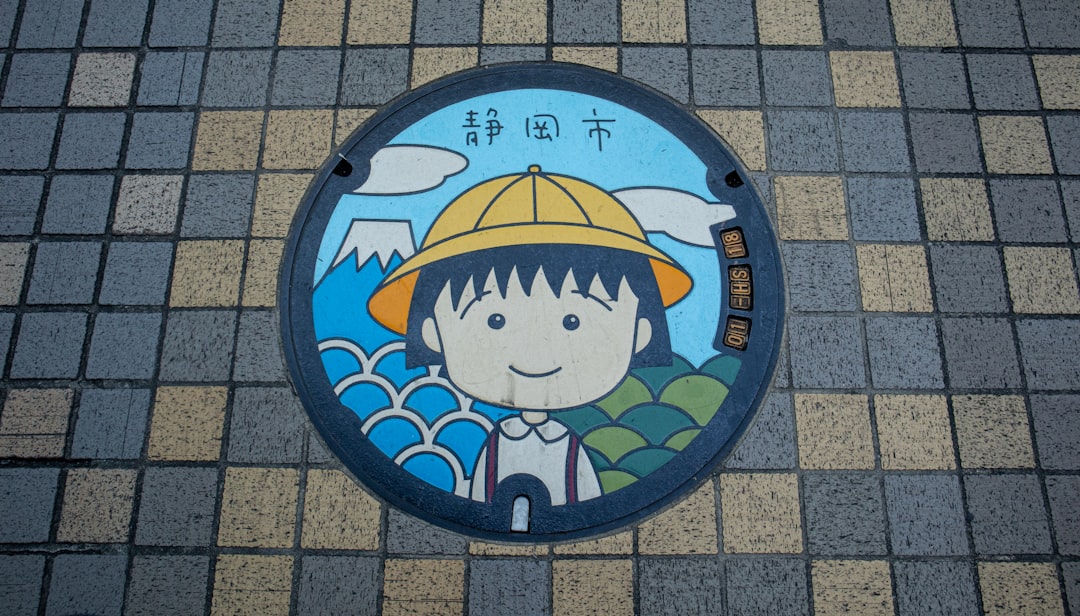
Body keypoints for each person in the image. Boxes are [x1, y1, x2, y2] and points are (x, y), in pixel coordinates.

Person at [367, 165, 692, 505]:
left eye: (571, 321)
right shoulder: (497, 442)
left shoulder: (568, 447)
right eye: (496, 320)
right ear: (432, 332)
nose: (536, 352)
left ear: (640, 333)